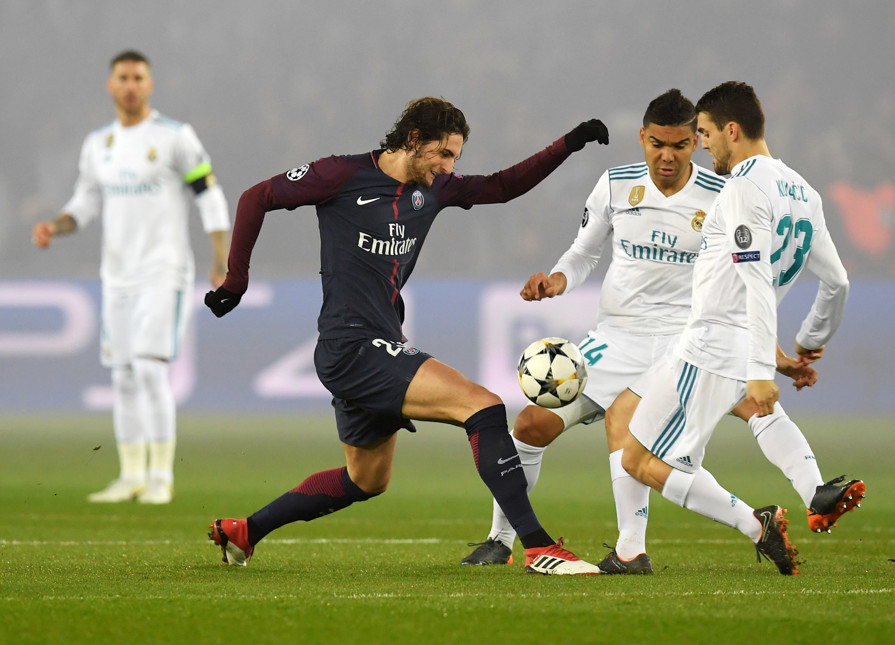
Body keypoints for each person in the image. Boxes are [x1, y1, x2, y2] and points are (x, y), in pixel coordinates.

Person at [204, 97, 610, 575]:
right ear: (413, 140)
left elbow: (502, 186)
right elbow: (257, 197)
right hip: (351, 345)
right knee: (483, 406)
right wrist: (236, 280)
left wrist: (568, 144)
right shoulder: (341, 175)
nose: (447, 167)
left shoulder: (434, 189)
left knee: (367, 479)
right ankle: (538, 547)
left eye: (455, 156)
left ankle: (246, 531)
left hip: (372, 344)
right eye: (442, 153)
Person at [460, 90, 858, 575]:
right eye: (656, 144)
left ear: (695, 141)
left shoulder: (725, 191)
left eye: (681, 145)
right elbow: (584, 252)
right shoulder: (614, 185)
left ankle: (636, 547)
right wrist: (558, 279)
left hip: (685, 337)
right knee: (529, 426)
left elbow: (740, 280)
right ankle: (501, 538)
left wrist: (768, 355)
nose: (666, 156)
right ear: (642, 138)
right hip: (618, 336)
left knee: (724, 411)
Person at [622, 81, 863, 576]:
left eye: (706, 133)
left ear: (732, 130)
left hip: (711, 346)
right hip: (734, 339)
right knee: (754, 410)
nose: (703, 144)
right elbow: (836, 281)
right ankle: (814, 490)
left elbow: (752, 278)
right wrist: (807, 342)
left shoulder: (742, 190)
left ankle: (757, 524)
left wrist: (760, 367)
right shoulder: (805, 192)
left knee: (641, 461)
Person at [32, 50, 231, 505]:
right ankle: (130, 475)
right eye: (122, 77)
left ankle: (161, 476)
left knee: (147, 368)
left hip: (163, 271)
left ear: (150, 85)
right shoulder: (98, 144)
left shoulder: (175, 137)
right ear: (110, 85)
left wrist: (220, 256)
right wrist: (56, 226)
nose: (130, 85)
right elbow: (84, 203)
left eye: (138, 77)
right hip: (117, 275)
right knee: (122, 376)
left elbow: (209, 194)